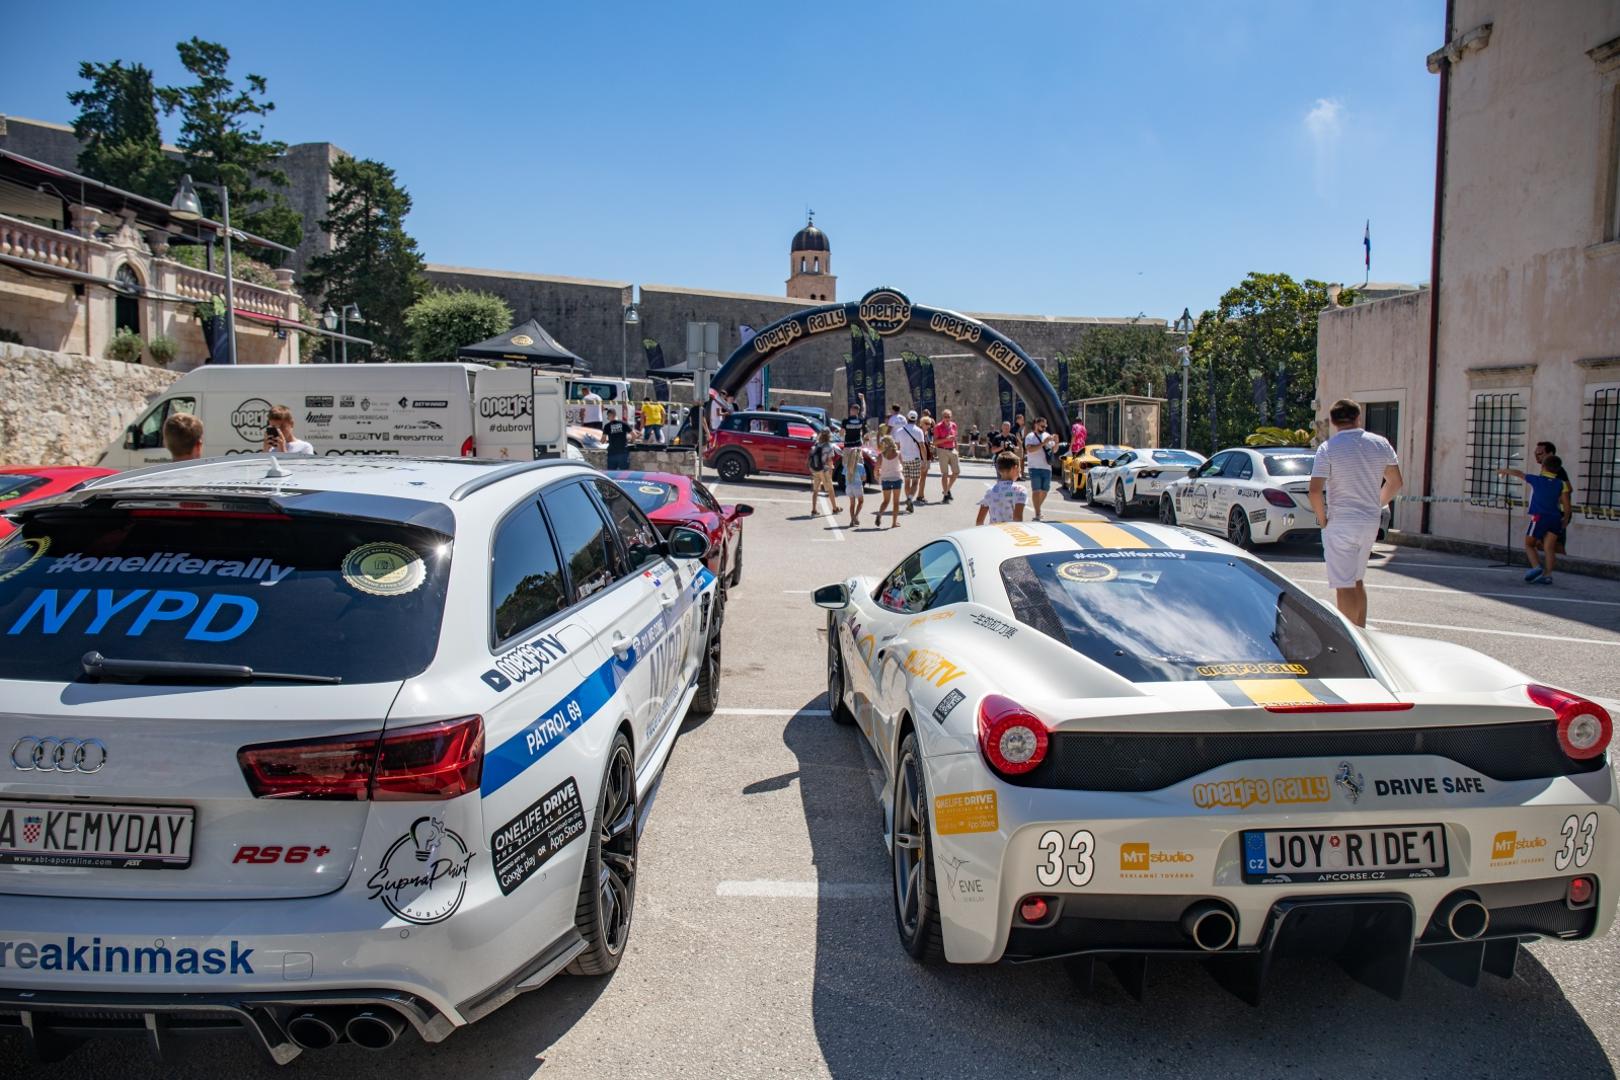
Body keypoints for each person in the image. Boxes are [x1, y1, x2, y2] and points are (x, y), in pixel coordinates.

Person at [1308, 398, 1403, 627]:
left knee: (1344, 584)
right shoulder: (1380, 443)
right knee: (1358, 580)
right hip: (1369, 521)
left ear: (1332, 421)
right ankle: (1361, 631)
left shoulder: (1328, 448)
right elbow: (1395, 482)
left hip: (1341, 521)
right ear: (1358, 418)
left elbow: (1314, 491)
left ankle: (1351, 638)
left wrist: (1323, 521)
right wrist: (1376, 504)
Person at [1498, 456, 1572, 584]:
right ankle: (1548, 575)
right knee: (1549, 548)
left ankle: (1536, 567)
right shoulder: (1562, 484)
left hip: (1539, 516)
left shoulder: (1536, 479)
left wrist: (1504, 470)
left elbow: (1519, 474)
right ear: (1558, 469)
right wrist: (1565, 519)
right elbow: (1566, 505)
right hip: (1555, 518)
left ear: (1543, 467)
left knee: (1529, 544)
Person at [977, 453, 1028, 525]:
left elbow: (979, 521)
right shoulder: (1020, 490)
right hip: (1009, 533)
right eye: (1020, 468)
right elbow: (1017, 519)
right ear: (1015, 468)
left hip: (994, 532)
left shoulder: (990, 491)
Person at [1024, 416, 1058, 521]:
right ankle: (1038, 512)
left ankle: (1037, 508)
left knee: (1045, 490)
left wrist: (1056, 442)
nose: (1044, 427)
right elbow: (1030, 450)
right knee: (1036, 490)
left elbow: (1054, 451)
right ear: (1036, 425)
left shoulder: (1047, 435)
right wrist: (1043, 442)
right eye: (1042, 425)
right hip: (1034, 467)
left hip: (1047, 467)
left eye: (1045, 425)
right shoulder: (1030, 436)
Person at [896, 410, 926, 513]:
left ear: (907, 418)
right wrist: (924, 460)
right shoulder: (919, 431)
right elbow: (922, 446)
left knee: (907, 482)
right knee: (915, 482)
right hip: (915, 459)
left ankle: (909, 499)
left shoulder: (899, 431)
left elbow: (897, 446)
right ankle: (910, 498)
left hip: (904, 459)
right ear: (916, 419)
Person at [808, 429, 841, 517]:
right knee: (830, 490)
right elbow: (830, 461)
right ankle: (834, 508)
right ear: (829, 435)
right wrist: (831, 470)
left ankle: (814, 509)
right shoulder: (829, 446)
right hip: (824, 470)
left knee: (815, 490)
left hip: (815, 469)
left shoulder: (816, 444)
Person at [876, 435, 904, 529]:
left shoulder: (881, 455)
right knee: (896, 502)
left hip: (885, 479)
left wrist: (877, 476)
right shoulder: (898, 453)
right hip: (896, 478)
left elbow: (876, 469)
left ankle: (880, 514)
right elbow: (903, 465)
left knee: (886, 501)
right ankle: (894, 523)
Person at [933, 409, 961, 503]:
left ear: (951, 416)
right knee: (944, 474)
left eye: (949, 416)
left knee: (956, 472)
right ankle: (945, 495)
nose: (947, 418)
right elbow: (935, 442)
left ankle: (946, 490)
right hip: (942, 450)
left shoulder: (954, 425)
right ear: (942, 417)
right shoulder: (938, 427)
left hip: (952, 450)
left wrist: (957, 450)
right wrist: (946, 439)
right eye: (945, 416)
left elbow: (955, 439)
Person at [601, 406, 634, 471]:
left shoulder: (607, 426)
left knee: (611, 474)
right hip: (623, 452)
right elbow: (634, 435)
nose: (608, 418)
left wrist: (601, 441)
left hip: (612, 453)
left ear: (611, 415)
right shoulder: (624, 424)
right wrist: (631, 441)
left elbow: (603, 440)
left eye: (608, 416)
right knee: (624, 474)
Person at [844, 446, 866, 529]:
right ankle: (855, 517)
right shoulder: (860, 466)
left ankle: (851, 520)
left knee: (852, 504)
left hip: (848, 487)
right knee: (861, 501)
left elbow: (844, 475)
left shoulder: (846, 466)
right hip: (857, 486)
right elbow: (864, 478)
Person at [915, 413, 935, 503]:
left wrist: (931, 447)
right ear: (921, 423)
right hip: (921, 457)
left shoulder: (926, 433)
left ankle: (921, 494)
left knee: (923, 477)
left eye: (929, 424)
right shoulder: (920, 433)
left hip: (926, 457)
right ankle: (919, 495)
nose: (928, 425)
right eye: (926, 423)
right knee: (921, 477)